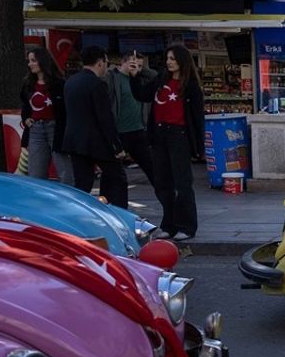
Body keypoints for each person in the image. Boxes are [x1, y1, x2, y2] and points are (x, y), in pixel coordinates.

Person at [129, 44, 205, 240]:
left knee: (182, 183)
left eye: (172, 58)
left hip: (179, 136)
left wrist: (199, 147)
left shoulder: (191, 86)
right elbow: (142, 95)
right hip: (159, 135)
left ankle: (186, 226)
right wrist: (135, 76)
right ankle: (168, 224)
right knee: (162, 182)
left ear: (182, 60)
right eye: (168, 59)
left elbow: (197, 117)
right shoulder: (161, 79)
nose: (169, 62)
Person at [63, 45, 128, 208]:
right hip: (97, 142)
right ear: (100, 63)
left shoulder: (70, 82)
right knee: (117, 178)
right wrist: (116, 146)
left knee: (82, 183)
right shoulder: (97, 84)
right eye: (106, 62)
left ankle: (80, 216)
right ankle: (118, 215)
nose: (107, 67)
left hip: (74, 141)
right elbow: (105, 117)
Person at [19, 47, 70, 183]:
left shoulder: (59, 84)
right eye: (29, 61)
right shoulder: (28, 84)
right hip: (36, 129)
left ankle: (68, 200)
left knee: (65, 172)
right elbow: (25, 105)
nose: (30, 64)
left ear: (43, 61)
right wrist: (26, 119)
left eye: (33, 60)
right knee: (35, 174)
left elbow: (65, 109)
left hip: (56, 129)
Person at [108, 50, 156, 188]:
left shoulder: (140, 78)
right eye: (133, 64)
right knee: (114, 173)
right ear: (123, 62)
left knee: (153, 168)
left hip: (139, 130)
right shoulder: (113, 78)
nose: (136, 68)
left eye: (140, 66)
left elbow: (155, 76)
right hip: (119, 132)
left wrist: (140, 69)